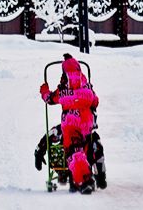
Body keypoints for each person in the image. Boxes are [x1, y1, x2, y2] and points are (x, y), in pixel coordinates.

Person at [34, 54, 101, 193]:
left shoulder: (63, 90)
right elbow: (95, 101)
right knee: (86, 144)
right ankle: (92, 170)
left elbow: (49, 99)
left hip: (70, 123)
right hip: (87, 124)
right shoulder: (87, 87)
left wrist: (44, 91)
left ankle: (83, 179)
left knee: (73, 151)